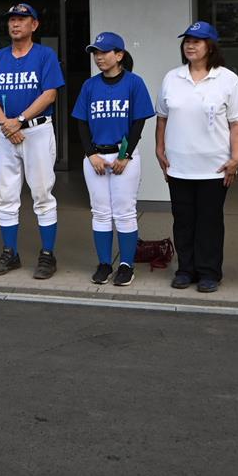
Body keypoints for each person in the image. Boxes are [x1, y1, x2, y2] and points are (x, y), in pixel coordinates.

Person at [155, 21, 238, 293]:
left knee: (209, 221)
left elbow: (237, 124)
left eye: (197, 41)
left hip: (214, 166)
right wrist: (159, 149)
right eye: (187, 41)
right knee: (183, 220)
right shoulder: (172, 77)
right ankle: (185, 269)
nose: (190, 46)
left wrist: (236, 158)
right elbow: (162, 118)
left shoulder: (227, 79)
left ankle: (209, 272)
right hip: (179, 165)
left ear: (211, 46)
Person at [0, 3, 65, 279]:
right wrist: (7, 124)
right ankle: (10, 252)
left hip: (36, 131)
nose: (15, 24)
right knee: (6, 194)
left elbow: (50, 94)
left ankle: (47, 255)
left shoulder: (45, 55)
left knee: (42, 194)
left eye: (22, 19)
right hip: (7, 133)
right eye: (12, 20)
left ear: (34, 25)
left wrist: (20, 120)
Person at [71, 33, 156, 286]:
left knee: (125, 211)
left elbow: (138, 123)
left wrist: (124, 155)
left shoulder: (133, 83)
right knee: (100, 212)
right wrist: (91, 154)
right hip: (95, 156)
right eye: (95, 53)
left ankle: (126, 265)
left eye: (104, 52)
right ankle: (104, 263)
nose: (98, 57)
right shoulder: (90, 85)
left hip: (123, 155)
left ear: (119, 55)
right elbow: (81, 123)